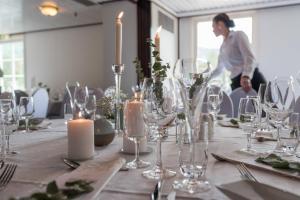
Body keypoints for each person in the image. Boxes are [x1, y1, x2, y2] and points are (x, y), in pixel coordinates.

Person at [211, 13, 266, 92]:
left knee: (265, 104)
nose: (213, 30)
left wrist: (246, 76)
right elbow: (219, 69)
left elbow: (249, 57)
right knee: (239, 104)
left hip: (251, 79)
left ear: (220, 24)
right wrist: (204, 79)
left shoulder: (238, 35)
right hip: (236, 82)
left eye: (213, 26)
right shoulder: (223, 46)